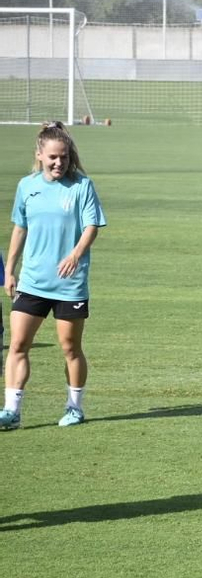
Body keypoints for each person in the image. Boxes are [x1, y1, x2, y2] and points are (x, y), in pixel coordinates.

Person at [2, 122, 106, 430]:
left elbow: (91, 227)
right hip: (33, 281)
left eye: (63, 157)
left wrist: (75, 254)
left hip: (69, 284)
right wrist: (9, 270)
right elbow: (19, 228)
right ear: (39, 155)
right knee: (19, 344)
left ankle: (75, 407)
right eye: (52, 158)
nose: (59, 163)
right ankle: (12, 410)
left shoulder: (82, 186)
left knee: (70, 348)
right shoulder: (26, 186)